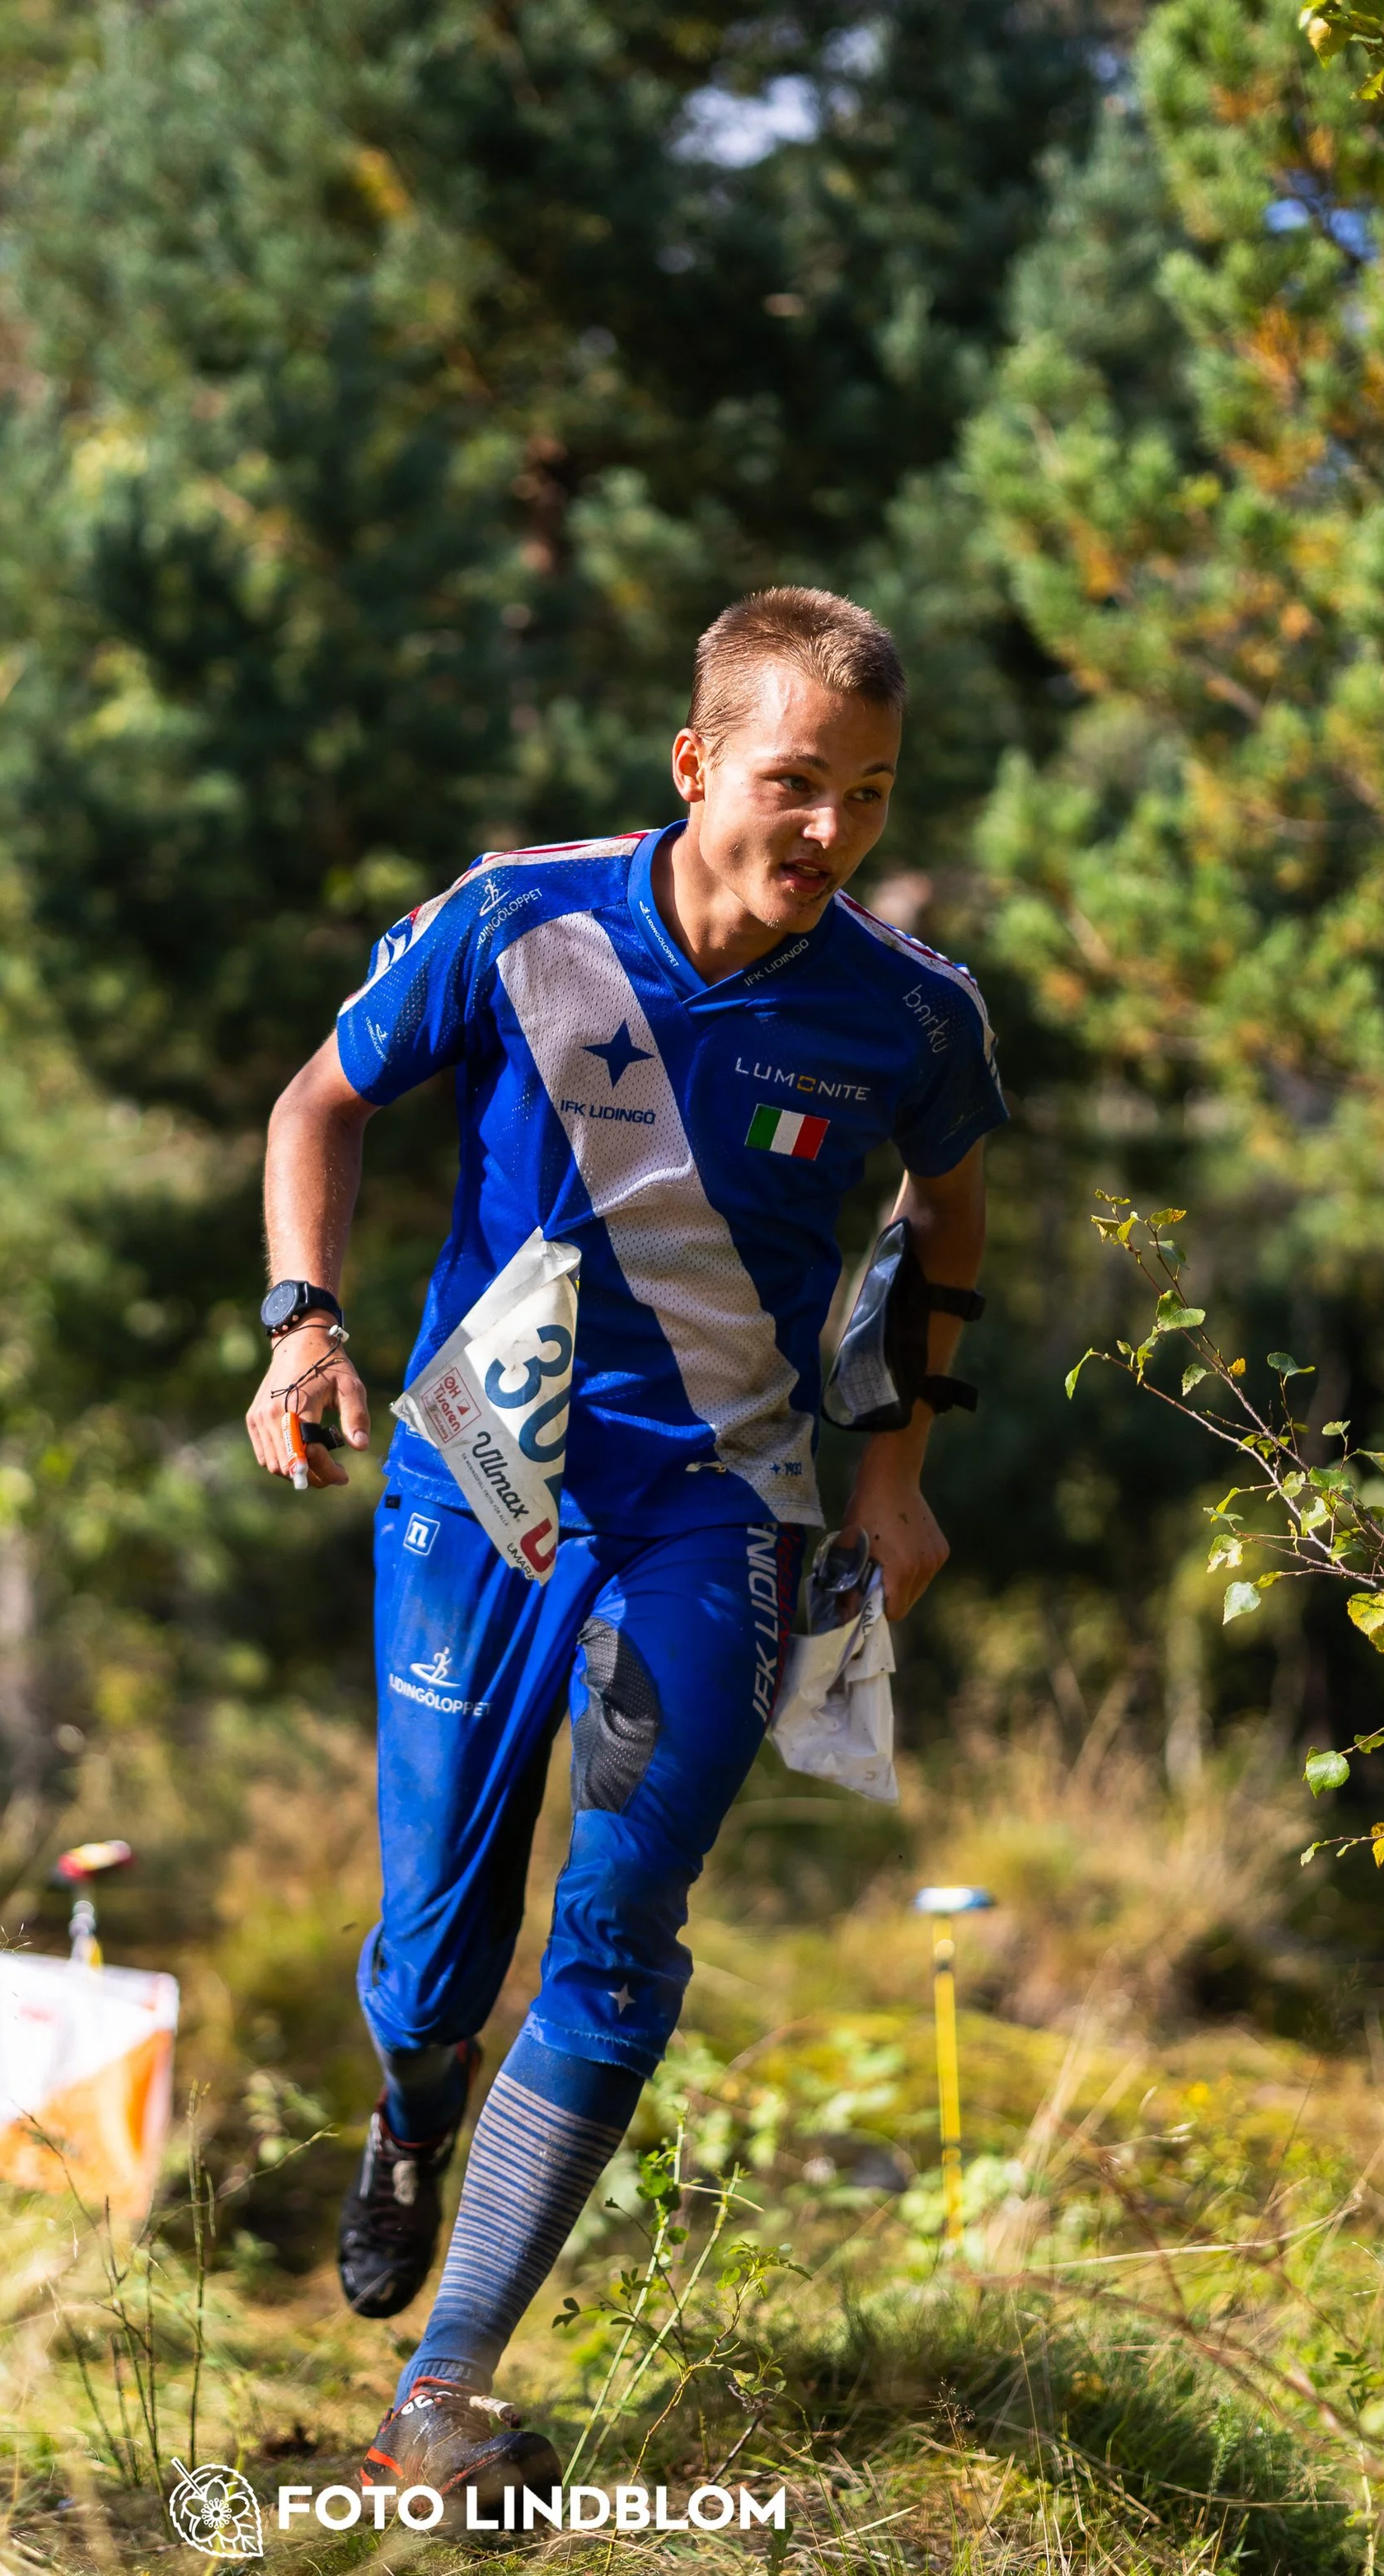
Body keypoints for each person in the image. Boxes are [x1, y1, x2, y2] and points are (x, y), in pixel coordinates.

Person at [244, 586, 1001, 2509]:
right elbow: (319, 1099)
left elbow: (952, 1222)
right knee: (430, 1962)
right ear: (693, 766)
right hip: (477, 1485)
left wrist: (897, 1471)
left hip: (720, 1508)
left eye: (867, 793)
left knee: (618, 1927)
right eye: (791, 782)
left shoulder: (906, 1012)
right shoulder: (521, 915)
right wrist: (301, 1323)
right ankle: (413, 2112)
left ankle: (443, 2380)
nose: (825, 831)